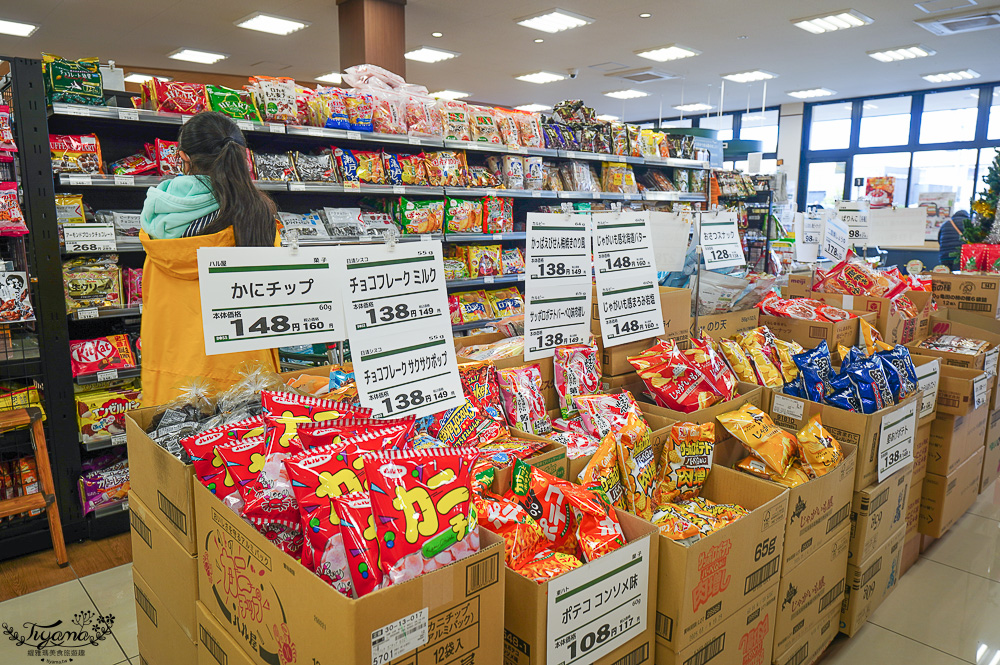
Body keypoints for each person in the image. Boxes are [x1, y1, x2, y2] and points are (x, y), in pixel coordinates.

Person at [139, 111, 280, 406]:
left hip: (174, 378)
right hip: (247, 376)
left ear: (184, 158)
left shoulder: (157, 222)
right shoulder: (259, 216)